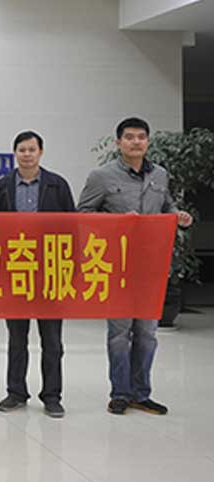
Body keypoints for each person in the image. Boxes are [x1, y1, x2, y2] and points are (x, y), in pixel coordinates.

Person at [78, 117, 192, 415]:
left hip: (151, 266)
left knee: (147, 333)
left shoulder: (160, 175)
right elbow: (83, 215)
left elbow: (167, 206)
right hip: (116, 266)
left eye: (141, 137)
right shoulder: (101, 176)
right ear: (118, 143)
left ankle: (141, 393)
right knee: (119, 333)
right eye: (129, 137)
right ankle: (120, 393)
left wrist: (178, 215)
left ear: (147, 142)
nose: (136, 142)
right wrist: (116, 222)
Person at [0, 131, 75, 418]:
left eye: (32, 149)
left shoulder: (57, 185)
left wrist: (69, 268)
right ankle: (16, 392)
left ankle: (52, 396)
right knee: (17, 337)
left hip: (50, 271)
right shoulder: (1, 188)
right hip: (15, 272)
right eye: (22, 150)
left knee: (52, 340)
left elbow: (72, 228)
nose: (27, 154)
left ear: (41, 152)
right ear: (15, 153)